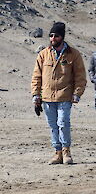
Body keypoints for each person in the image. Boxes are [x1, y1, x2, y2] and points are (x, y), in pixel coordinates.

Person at [31, 22, 87, 165]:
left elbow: (80, 76)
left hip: (65, 96)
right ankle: (57, 152)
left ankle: (66, 151)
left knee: (63, 123)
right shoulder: (43, 54)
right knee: (53, 126)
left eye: (56, 36)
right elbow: (37, 76)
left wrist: (77, 93)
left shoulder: (73, 54)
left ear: (62, 37)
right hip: (47, 97)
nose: (52, 38)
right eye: (51, 36)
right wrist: (35, 95)